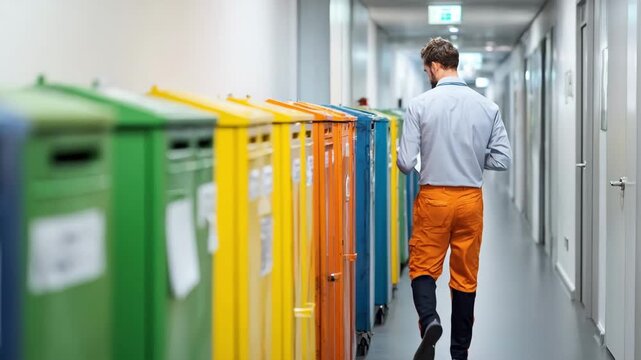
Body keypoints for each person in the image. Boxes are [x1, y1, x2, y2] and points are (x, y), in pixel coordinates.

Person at [397, 37, 512, 360]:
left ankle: (430, 320)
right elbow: (503, 159)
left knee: (423, 266)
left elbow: (406, 163)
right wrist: (474, 158)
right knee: (465, 276)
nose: (427, 75)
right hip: (470, 201)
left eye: (426, 70)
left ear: (435, 66)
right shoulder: (487, 107)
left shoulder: (420, 105)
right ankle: (459, 352)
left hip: (434, 198)